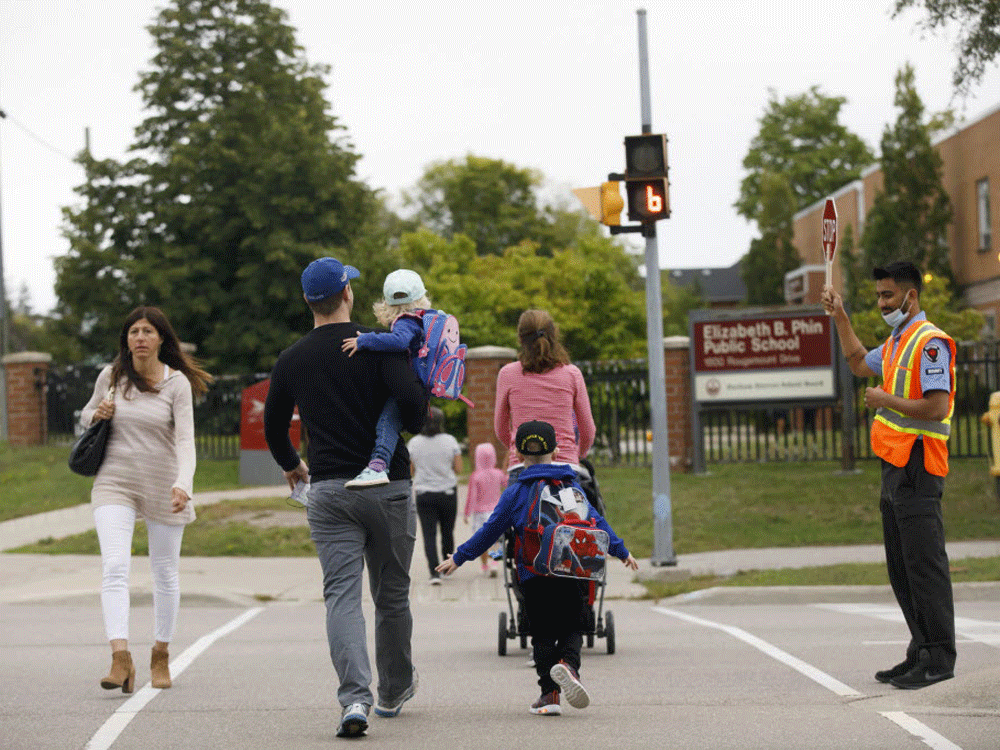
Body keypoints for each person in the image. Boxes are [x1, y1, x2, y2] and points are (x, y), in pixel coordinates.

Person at [264, 257, 428, 738]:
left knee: (341, 597)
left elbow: (275, 427)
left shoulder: (292, 359)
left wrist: (294, 466)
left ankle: (354, 698)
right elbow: (415, 415)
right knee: (391, 596)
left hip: (330, 490)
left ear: (306, 301)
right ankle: (393, 692)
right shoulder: (382, 344)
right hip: (388, 487)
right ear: (349, 295)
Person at [436, 421, 638, 716]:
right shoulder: (571, 487)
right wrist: (621, 551)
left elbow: (490, 531)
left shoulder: (516, 492)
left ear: (516, 454)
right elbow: (597, 523)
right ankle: (569, 665)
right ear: (557, 450)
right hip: (571, 572)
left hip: (534, 575)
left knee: (542, 633)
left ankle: (549, 695)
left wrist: (460, 557)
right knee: (571, 626)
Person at [822, 260, 957, 690]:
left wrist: (885, 400)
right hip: (894, 466)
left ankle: (939, 658)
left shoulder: (930, 342)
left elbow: (936, 406)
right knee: (901, 566)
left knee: (924, 565)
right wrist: (840, 315)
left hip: (919, 464)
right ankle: (920, 650)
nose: (882, 303)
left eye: (888, 296)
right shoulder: (898, 340)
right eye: (879, 295)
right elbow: (861, 363)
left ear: (910, 296)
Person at [80, 306, 212, 694]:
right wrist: (97, 414)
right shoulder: (111, 376)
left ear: (160, 339)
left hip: (162, 484)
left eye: (147, 331)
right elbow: (86, 416)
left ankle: (160, 652)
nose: (139, 337)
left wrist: (182, 483)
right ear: (127, 339)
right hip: (114, 482)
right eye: (133, 331)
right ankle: (120, 657)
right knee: (115, 567)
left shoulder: (177, 384)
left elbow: (186, 439)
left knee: (165, 574)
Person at [340, 268, 437, 488]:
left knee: (386, 422)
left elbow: (399, 341)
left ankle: (378, 465)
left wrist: (365, 340)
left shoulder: (405, 321)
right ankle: (379, 464)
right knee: (390, 423)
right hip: (419, 384)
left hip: (410, 384)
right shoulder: (422, 319)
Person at [494, 309, 596, 478]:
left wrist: (517, 447)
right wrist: (578, 453)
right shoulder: (572, 374)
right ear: (554, 335)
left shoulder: (507, 374)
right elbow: (588, 430)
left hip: (522, 467)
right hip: (564, 466)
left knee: (513, 504)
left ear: (520, 338)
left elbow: (500, 428)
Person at [407, 406, 463, 584]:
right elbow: (459, 468)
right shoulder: (450, 441)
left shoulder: (414, 443)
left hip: (424, 494)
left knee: (429, 534)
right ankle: (447, 567)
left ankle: (433, 573)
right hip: (447, 492)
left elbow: (411, 471)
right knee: (447, 532)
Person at [464, 442, 508, 576]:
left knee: (482, 540)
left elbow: (471, 497)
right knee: (495, 539)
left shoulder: (476, 476)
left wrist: (466, 514)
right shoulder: (498, 473)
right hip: (496, 512)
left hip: (480, 513)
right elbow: (507, 485)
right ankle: (495, 563)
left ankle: (484, 565)